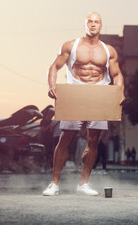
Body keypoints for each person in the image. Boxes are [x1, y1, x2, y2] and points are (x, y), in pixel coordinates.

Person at [43, 12, 125, 196]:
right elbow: (54, 67)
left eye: (96, 22)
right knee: (65, 138)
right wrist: (52, 86)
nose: (93, 24)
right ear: (84, 24)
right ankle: (54, 183)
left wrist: (119, 92)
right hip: (75, 92)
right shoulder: (71, 45)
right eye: (90, 21)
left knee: (93, 140)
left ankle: (83, 183)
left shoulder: (108, 50)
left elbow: (117, 74)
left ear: (101, 26)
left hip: (99, 94)